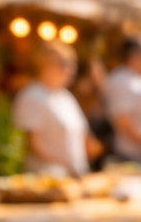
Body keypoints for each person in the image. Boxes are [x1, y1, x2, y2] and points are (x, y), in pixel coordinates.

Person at [12, 42, 99, 177]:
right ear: (44, 64)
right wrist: (65, 166)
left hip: (74, 176)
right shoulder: (32, 95)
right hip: (46, 178)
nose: (69, 70)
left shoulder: (65, 96)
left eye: (72, 64)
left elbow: (83, 135)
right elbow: (32, 144)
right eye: (63, 64)